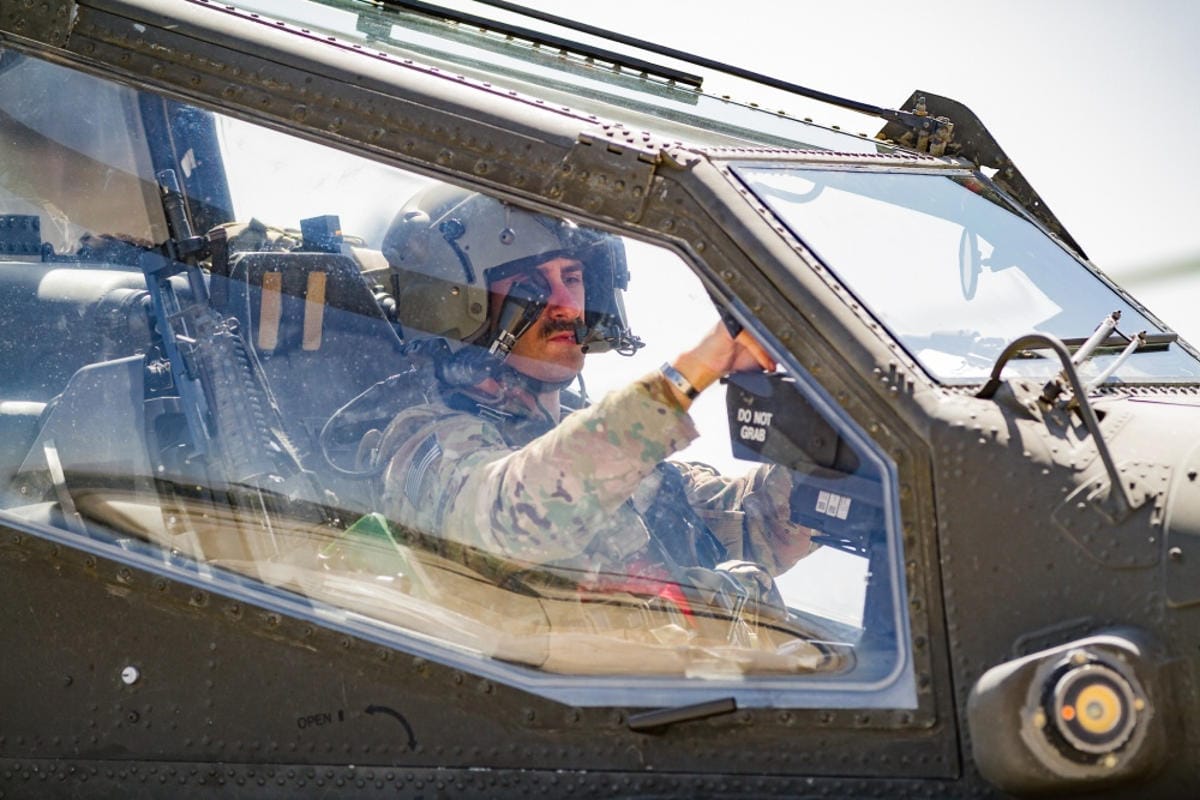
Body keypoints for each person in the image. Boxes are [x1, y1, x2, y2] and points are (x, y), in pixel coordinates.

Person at [372, 184, 818, 606]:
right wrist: (694, 370)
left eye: (573, 277)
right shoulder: (423, 443)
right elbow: (513, 517)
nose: (568, 305)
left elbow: (751, 527)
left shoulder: (601, 449)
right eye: (531, 286)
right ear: (455, 301)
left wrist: (821, 460)